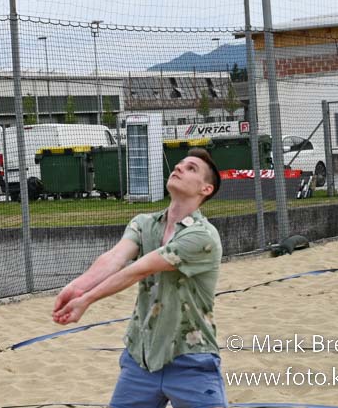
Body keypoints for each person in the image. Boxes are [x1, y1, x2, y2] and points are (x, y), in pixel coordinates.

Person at [52, 148, 226, 408]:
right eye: (179, 164)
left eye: (191, 168)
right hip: (141, 357)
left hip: (191, 358)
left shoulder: (203, 235)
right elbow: (114, 258)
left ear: (206, 189)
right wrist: (76, 288)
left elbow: (139, 270)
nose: (179, 168)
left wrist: (87, 299)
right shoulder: (145, 223)